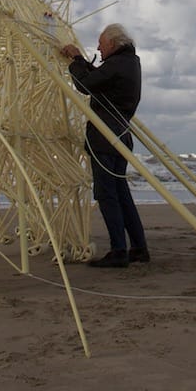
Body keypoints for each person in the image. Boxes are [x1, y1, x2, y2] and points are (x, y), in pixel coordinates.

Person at [60, 23, 149, 268]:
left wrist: (76, 58)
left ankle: (119, 250)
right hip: (120, 137)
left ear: (112, 43)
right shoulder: (128, 63)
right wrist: (81, 63)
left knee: (107, 195)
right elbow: (97, 80)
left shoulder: (119, 64)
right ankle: (139, 248)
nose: (98, 48)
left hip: (105, 138)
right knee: (121, 194)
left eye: (101, 43)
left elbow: (85, 85)